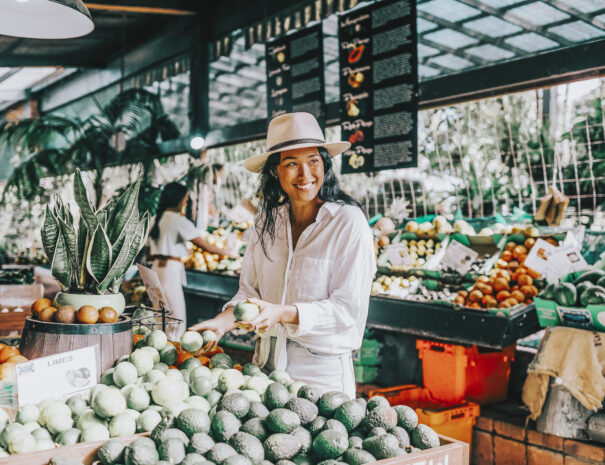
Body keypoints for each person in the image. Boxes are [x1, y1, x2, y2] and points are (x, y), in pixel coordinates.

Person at [190, 112, 376, 398]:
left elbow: (347, 310)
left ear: (324, 164)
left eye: (313, 161)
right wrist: (222, 322)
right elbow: (248, 293)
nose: (305, 175)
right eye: (291, 164)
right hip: (263, 373)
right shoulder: (266, 223)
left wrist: (283, 314)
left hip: (321, 381)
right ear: (275, 171)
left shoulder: (348, 222)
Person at [148, 182, 237, 333]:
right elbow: (205, 246)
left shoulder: (155, 218)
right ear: (179, 199)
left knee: (159, 316)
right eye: (186, 199)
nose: (185, 202)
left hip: (155, 268)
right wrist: (228, 253)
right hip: (170, 270)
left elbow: (148, 252)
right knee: (176, 318)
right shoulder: (178, 220)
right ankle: (175, 352)